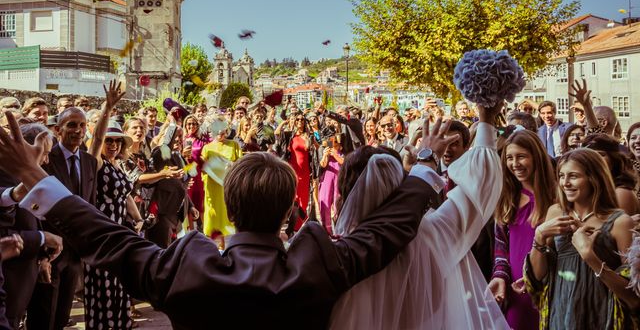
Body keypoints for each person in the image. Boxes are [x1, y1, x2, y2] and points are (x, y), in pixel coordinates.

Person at [0, 110, 444, 329]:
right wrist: (425, 164)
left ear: (229, 210)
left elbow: (102, 234)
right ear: (291, 210)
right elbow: (388, 229)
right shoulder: (320, 264)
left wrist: (30, 174)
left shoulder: (186, 268)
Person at [330, 108, 508, 329]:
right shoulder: (430, 236)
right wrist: (486, 118)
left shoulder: (338, 254)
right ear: (401, 188)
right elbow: (479, 186)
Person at [525, 148, 639, 328]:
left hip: (602, 317)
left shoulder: (620, 222)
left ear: (595, 178)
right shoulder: (555, 212)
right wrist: (539, 236)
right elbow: (537, 278)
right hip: (560, 315)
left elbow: (633, 298)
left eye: (573, 176)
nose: (565, 183)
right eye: (561, 176)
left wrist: (589, 256)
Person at [28, 104, 98, 330]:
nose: (78, 130)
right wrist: (42, 255)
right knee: (43, 315)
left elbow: (90, 206)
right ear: (58, 129)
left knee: (61, 317)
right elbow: (34, 206)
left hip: (75, 254)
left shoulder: (89, 162)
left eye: (82, 125)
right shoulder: (46, 159)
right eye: (71, 125)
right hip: (50, 252)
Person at [489, 129, 557, 330]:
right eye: (509, 158)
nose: (514, 164)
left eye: (521, 157)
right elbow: (501, 249)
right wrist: (500, 276)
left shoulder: (557, 198)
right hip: (516, 293)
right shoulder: (506, 200)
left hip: (549, 289)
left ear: (536, 157)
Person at [0, 123, 63, 329]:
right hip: (9, 279)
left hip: (29, 272)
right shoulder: (5, 177)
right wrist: (42, 238)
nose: (45, 160)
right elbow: (5, 235)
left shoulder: (27, 177)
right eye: (43, 154)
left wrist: (43, 256)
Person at [84, 80, 135, 329]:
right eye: (109, 141)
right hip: (102, 235)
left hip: (120, 233)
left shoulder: (118, 165)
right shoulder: (97, 164)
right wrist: (107, 109)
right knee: (103, 289)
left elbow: (125, 196)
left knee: (119, 286)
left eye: (118, 142)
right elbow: (95, 140)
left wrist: (137, 220)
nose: (113, 145)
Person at [201, 119, 241, 245]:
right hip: (212, 187)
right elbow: (202, 167)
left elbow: (240, 164)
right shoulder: (207, 148)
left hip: (228, 185)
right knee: (212, 216)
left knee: (228, 215)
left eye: (222, 129)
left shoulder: (234, 145)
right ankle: (212, 247)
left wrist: (231, 165)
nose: (220, 132)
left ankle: (229, 246)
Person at [581, 133, 640, 215]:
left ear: (613, 160)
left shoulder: (621, 193)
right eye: (589, 155)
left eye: (601, 154)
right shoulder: (588, 187)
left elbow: (617, 226)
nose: (594, 159)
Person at [318, 135, 344, 234]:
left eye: (333, 140)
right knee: (324, 201)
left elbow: (344, 161)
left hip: (339, 178)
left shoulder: (343, 148)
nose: (331, 141)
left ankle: (339, 230)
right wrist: (325, 155)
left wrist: (335, 154)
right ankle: (326, 231)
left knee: (338, 205)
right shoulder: (324, 149)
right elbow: (322, 165)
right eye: (330, 139)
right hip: (327, 177)